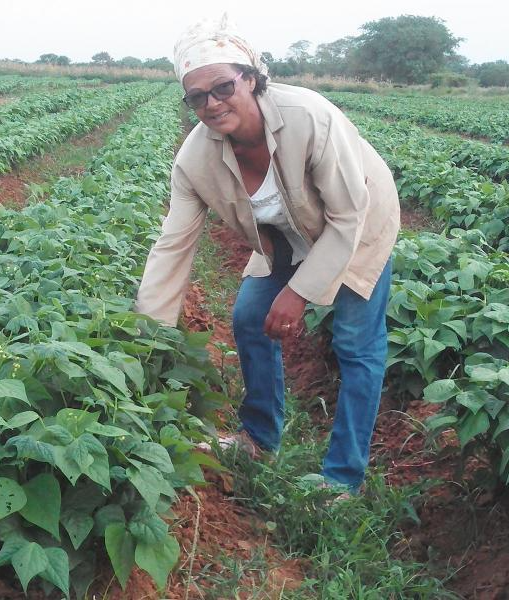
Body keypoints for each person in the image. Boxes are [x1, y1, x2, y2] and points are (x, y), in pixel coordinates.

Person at [135, 15, 400, 495]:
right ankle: (257, 437)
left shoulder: (308, 117)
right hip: (286, 234)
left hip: (359, 222)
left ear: (252, 79)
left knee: (356, 344)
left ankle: (342, 479)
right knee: (250, 314)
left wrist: (299, 294)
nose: (212, 104)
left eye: (222, 87)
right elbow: (172, 245)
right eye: (197, 97)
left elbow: (346, 217)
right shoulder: (194, 161)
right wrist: (145, 337)